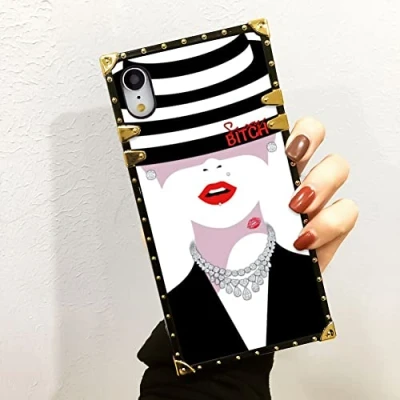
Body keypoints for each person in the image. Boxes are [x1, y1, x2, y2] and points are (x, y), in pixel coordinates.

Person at [137, 117, 359, 400]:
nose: (212, 164)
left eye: (229, 141)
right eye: (185, 146)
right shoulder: (186, 297)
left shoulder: (288, 266)